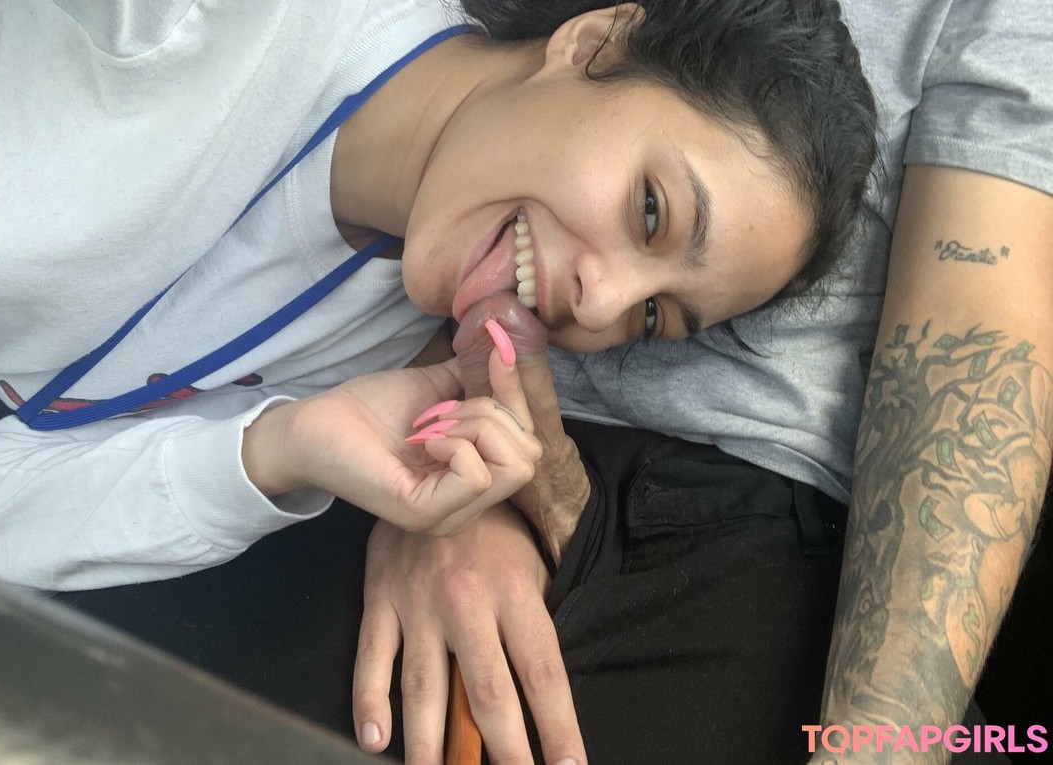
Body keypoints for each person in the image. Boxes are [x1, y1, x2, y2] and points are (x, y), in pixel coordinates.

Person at [0, 0, 874, 598]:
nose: (601, 306)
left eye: (653, 317)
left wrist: (276, 450)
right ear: (594, 43)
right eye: (650, 210)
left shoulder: (377, 341)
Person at [352, 1, 1053, 764]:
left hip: (766, 522)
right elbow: (456, 110)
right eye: (650, 208)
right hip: (441, 411)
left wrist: (883, 743)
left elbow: (969, 347)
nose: (604, 301)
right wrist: (442, 455)